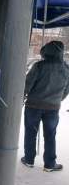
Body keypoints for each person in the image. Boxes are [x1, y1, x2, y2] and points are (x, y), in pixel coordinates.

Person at [22, 41, 69, 172]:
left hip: (33, 105)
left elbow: (27, 84)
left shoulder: (39, 66)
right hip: (53, 108)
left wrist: (23, 95)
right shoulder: (66, 69)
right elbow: (66, 90)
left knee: (30, 133)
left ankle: (29, 159)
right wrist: (57, 99)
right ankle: (49, 164)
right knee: (50, 135)